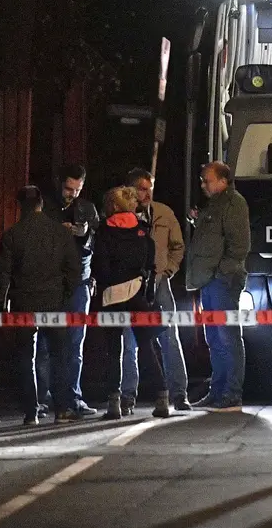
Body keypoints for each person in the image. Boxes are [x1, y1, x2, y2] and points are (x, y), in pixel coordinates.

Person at [0, 186, 81, 424]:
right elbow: (73, 270)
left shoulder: (12, 235)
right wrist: (65, 295)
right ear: (41, 203)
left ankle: (31, 412)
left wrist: (1, 306)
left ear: (20, 206)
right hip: (54, 301)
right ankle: (62, 409)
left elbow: (3, 274)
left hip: (24, 303)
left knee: (25, 358)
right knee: (59, 356)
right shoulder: (59, 233)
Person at [94, 186, 172, 420]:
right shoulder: (142, 232)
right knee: (147, 346)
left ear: (113, 207)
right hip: (138, 294)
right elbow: (151, 264)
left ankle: (114, 404)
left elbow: (101, 267)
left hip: (112, 295)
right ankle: (162, 399)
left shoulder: (104, 233)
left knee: (113, 350)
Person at [119, 168, 190, 414]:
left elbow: (177, 246)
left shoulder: (164, 213)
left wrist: (168, 271)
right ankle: (127, 396)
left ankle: (179, 394)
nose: (146, 192)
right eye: (140, 188)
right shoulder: (122, 215)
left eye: (149, 187)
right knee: (128, 342)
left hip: (160, 284)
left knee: (170, 338)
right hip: (130, 287)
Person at [36, 165, 100, 419]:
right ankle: (42, 398)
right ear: (59, 184)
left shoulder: (87, 209)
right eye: (67, 188)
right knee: (44, 343)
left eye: (77, 189)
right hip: (49, 282)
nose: (71, 194)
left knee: (75, 343)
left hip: (78, 283)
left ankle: (73, 397)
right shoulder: (46, 208)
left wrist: (84, 236)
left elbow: (98, 244)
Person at [187, 161, 251, 411]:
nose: (203, 185)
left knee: (228, 337)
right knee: (214, 338)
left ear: (223, 180)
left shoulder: (234, 203)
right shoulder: (215, 204)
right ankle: (218, 391)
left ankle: (232, 394)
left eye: (207, 180)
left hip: (223, 281)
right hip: (210, 280)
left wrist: (220, 273)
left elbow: (239, 246)